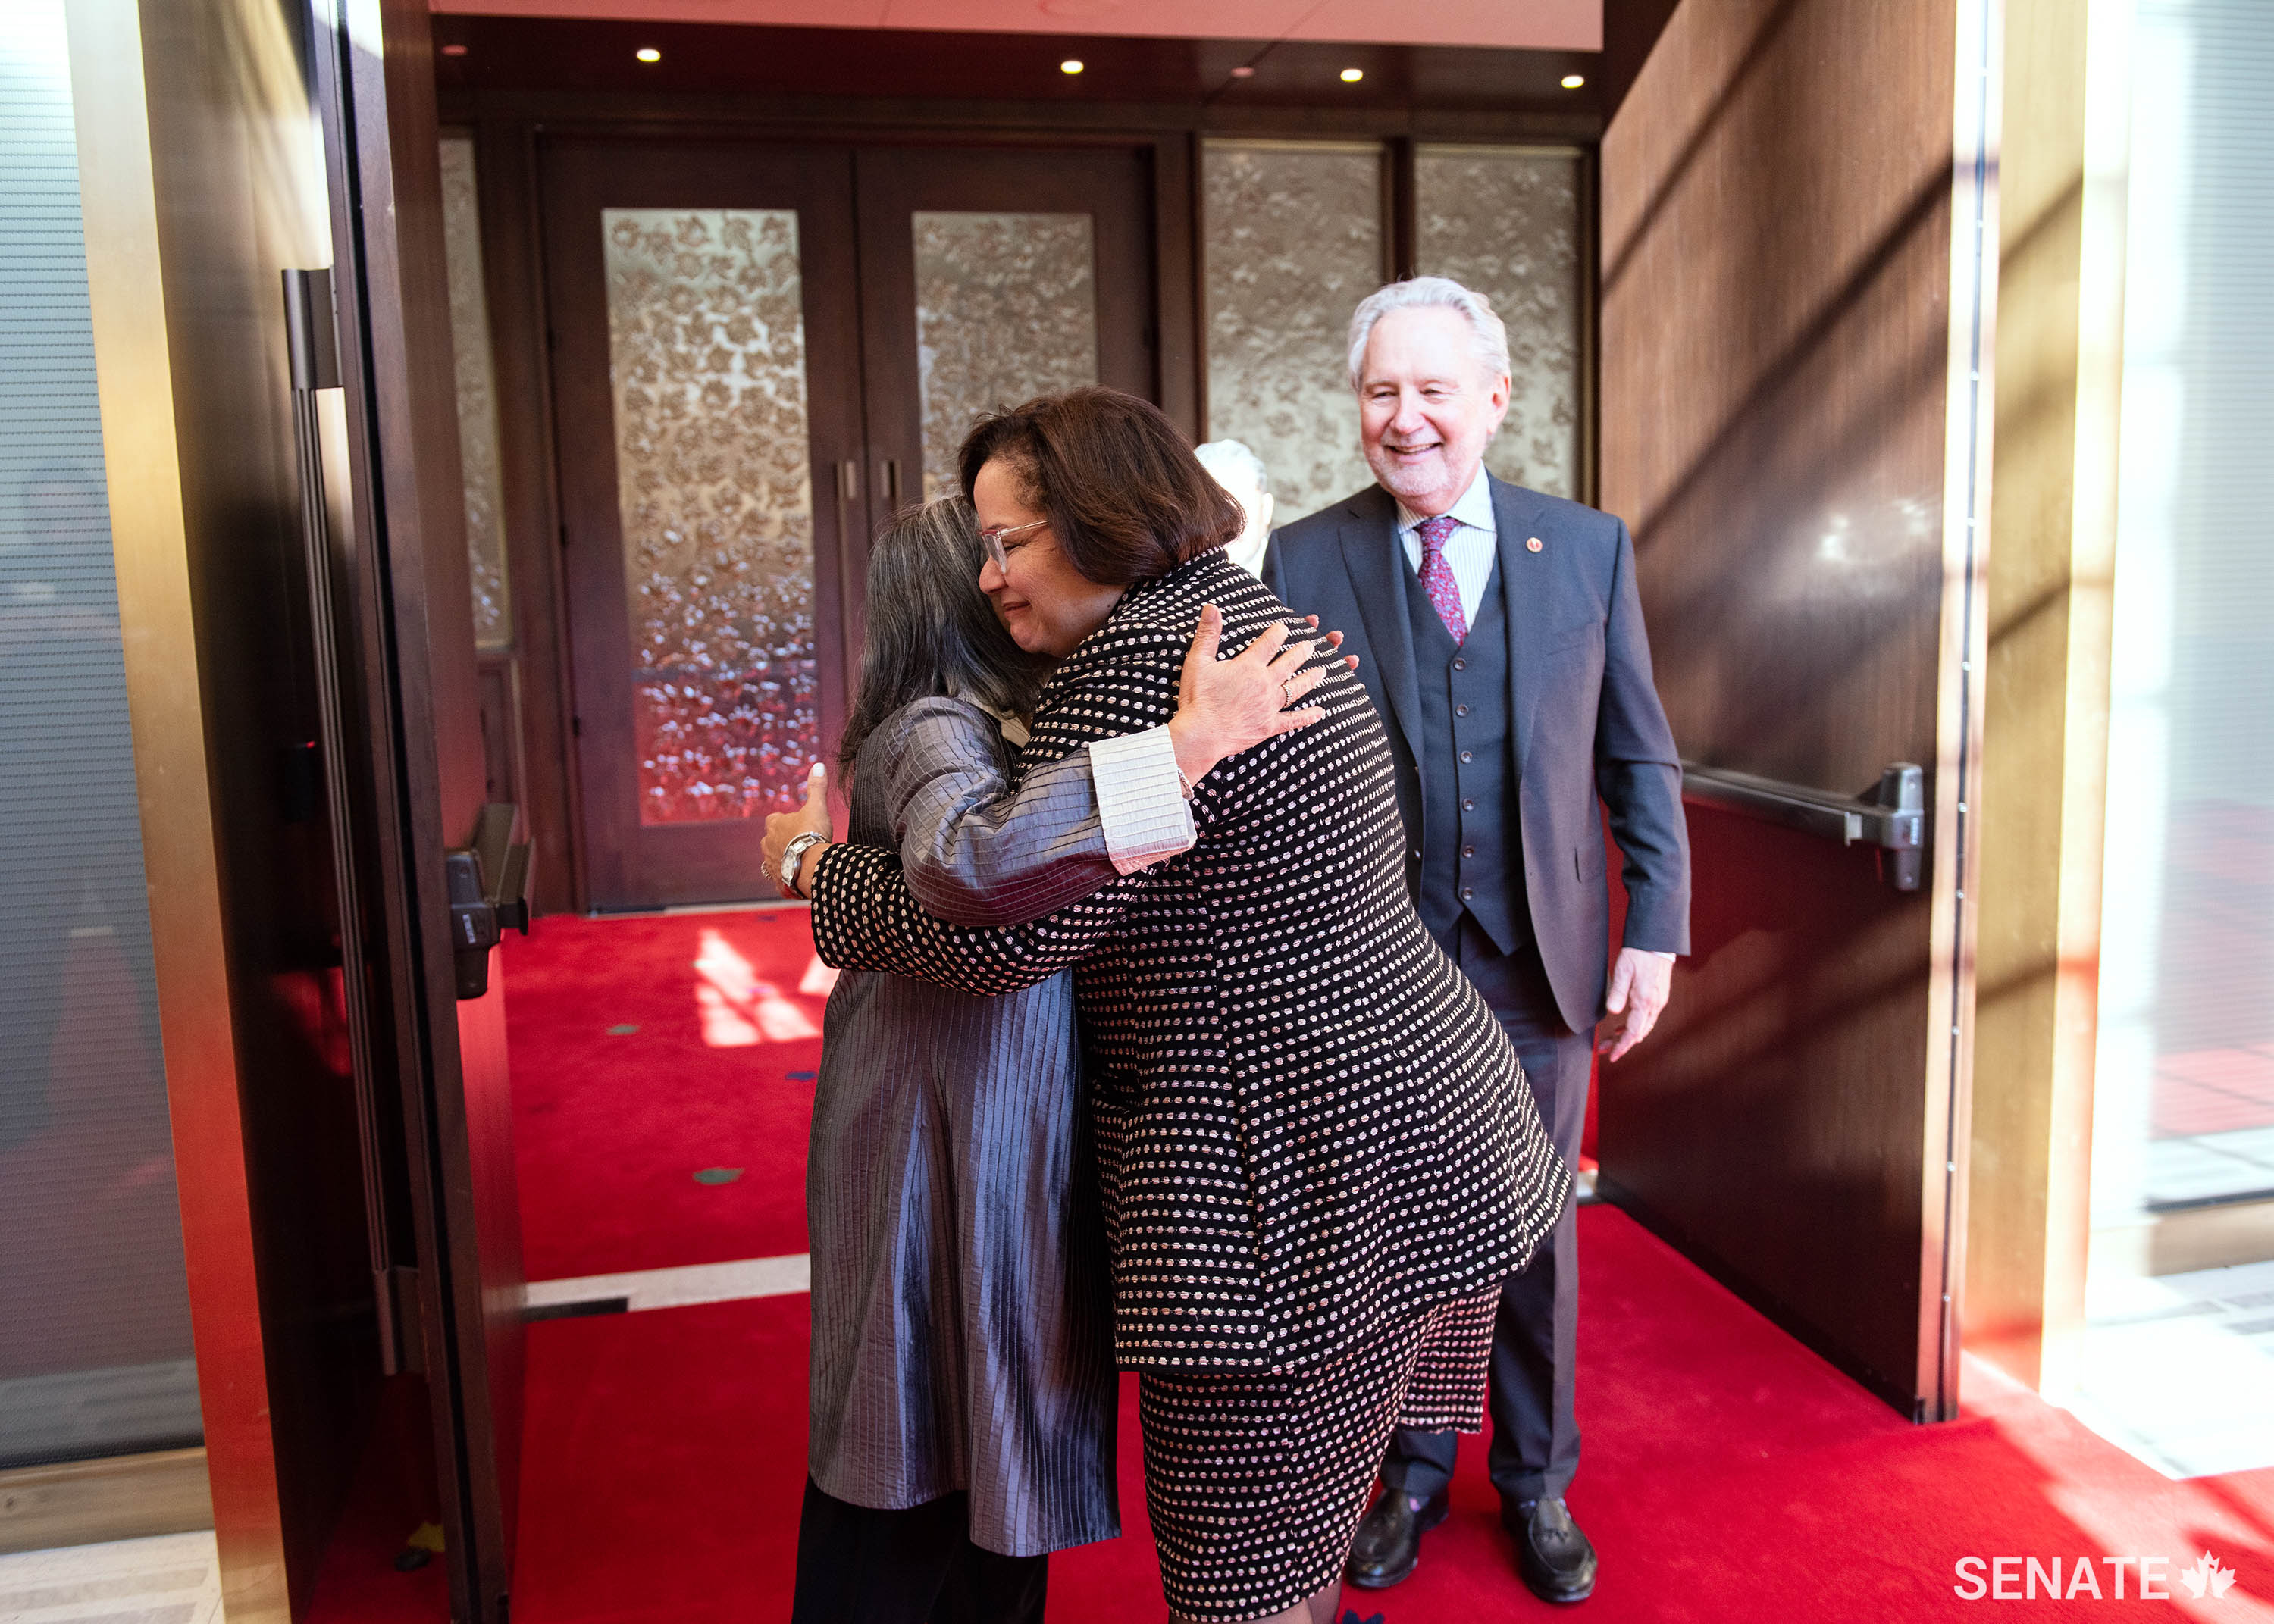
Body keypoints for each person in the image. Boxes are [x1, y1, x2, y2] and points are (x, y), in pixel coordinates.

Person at [766, 387, 1571, 1624]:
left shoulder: (1140, 666)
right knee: (1297, 1547)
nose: (987, 580)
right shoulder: (1235, 616)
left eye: (1009, 543)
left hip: (1295, 1197)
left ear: (1097, 519)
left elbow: (989, 932)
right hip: (1429, 1136)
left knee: (1238, 1579)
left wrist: (812, 869)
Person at [789, 496, 1335, 1624]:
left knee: (969, 1418)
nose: (1009, 581)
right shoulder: (938, 727)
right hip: (935, 1115)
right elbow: (974, 873)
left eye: (1017, 551)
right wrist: (805, 862)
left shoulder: (1007, 722)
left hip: (976, 1103)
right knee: (908, 1417)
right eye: (989, 559)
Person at [1263, 277, 1692, 1606]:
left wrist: (1657, 929)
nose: (1407, 419)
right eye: (1382, 392)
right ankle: (1406, 1470)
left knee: (1530, 1229)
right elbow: (1273, 772)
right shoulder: (1308, 557)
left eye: (1435, 390)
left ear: (1494, 400)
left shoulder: (1589, 548)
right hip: (1378, 967)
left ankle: (1537, 1479)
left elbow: (1640, 753)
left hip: (1538, 960)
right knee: (1389, 1227)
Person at [1192, 439, 1273, 577]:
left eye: (1241, 508)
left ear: (1266, 510)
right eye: (1214, 512)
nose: (1229, 523)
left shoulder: (1297, 574)